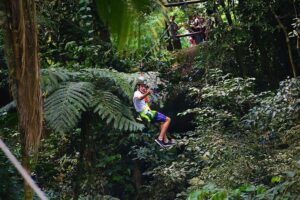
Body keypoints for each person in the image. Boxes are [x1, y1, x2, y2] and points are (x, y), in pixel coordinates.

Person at [133, 78, 175, 148]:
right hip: (148, 114)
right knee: (168, 119)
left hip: (146, 114)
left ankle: (166, 141)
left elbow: (145, 103)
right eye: (142, 86)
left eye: (145, 87)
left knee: (162, 122)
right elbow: (139, 98)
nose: (144, 88)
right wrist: (147, 93)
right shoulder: (136, 93)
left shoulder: (142, 94)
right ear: (138, 87)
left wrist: (146, 96)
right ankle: (160, 139)